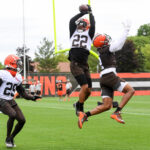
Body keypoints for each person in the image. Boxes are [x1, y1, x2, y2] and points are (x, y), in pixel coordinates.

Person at [77, 20, 135, 129]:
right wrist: (126, 30)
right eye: (105, 39)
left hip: (103, 79)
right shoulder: (107, 49)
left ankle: (85, 115)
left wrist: (88, 29)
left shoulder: (101, 51)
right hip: (110, 76)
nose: (108, 40)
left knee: (106, 105)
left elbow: (96, 38)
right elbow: (119, 44)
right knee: (130, 90)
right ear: (103, 42)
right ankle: (117, 112)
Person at [0, 54, 41, 147]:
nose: (19, 66)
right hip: (1, 99)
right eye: (17, 64)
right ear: (10, 64)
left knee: (22, 120)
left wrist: (33, 97)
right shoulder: (2, 74)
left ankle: (11, 138)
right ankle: (7, 139)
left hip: (10, 100)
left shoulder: (17, 77)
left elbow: (23, 94)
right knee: (12, 114)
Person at [68, 4, 95, 114]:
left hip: (84, 65)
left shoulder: (89, 35)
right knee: (84, 86)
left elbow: (93, 25)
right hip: (75, 64)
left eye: (84, 25)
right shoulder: (73, 32)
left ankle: (78, 103)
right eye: (80, 24)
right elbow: (71, 21)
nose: (81, 26)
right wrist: (83, 13)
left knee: (88, 90)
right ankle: (80, 109)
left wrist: (90, 13)